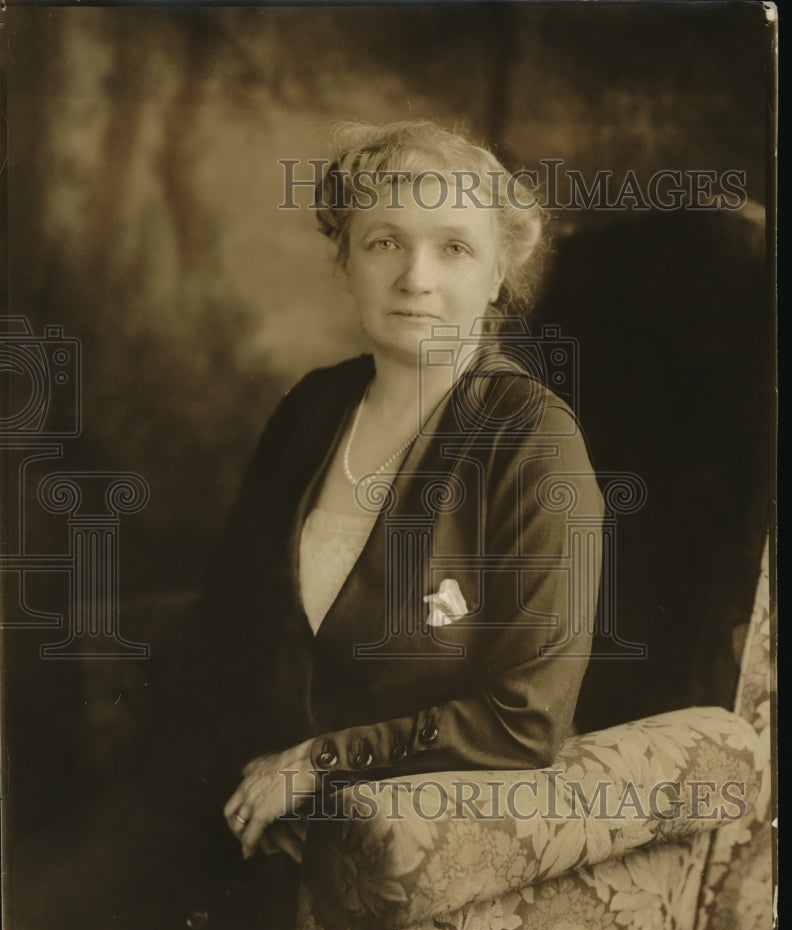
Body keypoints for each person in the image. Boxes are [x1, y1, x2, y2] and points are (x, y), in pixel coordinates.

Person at [195, 120, 605, 881]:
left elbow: (527, 719)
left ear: (498, 276)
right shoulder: (312, 406)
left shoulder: (530, 437)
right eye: (385, 241)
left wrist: (316, 766)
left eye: (454, 248)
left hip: (399, 844)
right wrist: (249, 777)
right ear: (346, 261)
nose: (415, 278)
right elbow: (225, 621)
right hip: (240, 806)